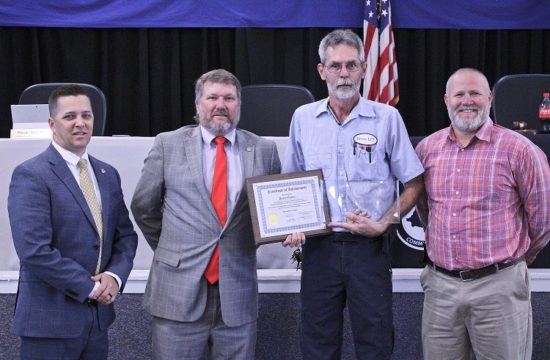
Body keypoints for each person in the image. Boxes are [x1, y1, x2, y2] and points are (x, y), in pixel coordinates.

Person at [282, 29, 424, 359]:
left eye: (351, 65)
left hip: (369, 251)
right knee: (317, 344)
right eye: (335, 66)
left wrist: (383, 224)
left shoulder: (387, 118)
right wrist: (292, 223)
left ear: (363, 68)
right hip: (319, 250)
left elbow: (414, 182)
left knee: (375, 343)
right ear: (322, 71)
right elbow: (289, 183)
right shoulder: (303, 119)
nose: (343, 74)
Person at [131, 69, 281, 359]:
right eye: (212, 97)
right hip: (177, 290)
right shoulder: (168, 144)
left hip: (236, 296)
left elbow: (269, 213)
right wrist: (173, 246)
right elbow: (143, 207)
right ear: (198, 104)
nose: (220, 105)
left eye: (229, 98)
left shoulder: (264, 150)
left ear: (239, 104)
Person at [415, 67, 550, 360]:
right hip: (441, 291)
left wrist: (520, 259)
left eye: (475, 93)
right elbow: (424, 209)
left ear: (489, 98)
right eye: (459, 94)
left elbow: (543, 218)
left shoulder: (519, 150)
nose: (467, 100)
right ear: (446, 100)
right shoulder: (427, 150)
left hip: (499, 288)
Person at [8, 84, 138, 359]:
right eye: (70, 117)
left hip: (97, 322)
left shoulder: (107, 173)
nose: (80, 123)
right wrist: (92, 288)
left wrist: (114, 278)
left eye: (86, 116)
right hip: (49, 324)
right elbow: (34, 250)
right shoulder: (31, 174)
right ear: (52, 124)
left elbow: (125, 236)